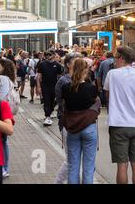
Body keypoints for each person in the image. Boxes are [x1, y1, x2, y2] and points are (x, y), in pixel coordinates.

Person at [103, 46, 135, 184]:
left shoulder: (112, 75)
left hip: (118, 125)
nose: (114, 61)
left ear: (122, 58)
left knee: (122, 165)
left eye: (116, 58)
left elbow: (108, 96)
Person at [62, 58, 99, 184]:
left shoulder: (66, 88)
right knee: (88, 167)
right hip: (89, 127)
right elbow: (96, 103)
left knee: (73, 166)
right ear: (85, 71)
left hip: (72, 128)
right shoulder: (91, 88)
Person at [54, 52, 80, 184]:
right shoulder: (63, 81)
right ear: (68, 64)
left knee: (78, 158)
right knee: (71, 158)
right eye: (76, 61)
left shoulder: (84, 78)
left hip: (82, 122)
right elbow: (60, 102)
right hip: (67, 121)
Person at [0, 58, 17, 179]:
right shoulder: (9, 79)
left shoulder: (3, 79)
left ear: (4, 67)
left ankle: (4, 167)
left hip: (0, 113)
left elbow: (1, 97)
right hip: (5, 113)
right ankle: (4, 167)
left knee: (2, 141)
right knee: (4, 141)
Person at [36, 50, 64, 126]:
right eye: (46, 55)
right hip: (45, 86)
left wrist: (61, 87)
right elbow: (39, 76)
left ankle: (50, 112)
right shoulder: (42, 64)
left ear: (53, 55)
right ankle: (47, 116)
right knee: (46, 101)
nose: (48, 56)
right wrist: (38, 87)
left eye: (49, 54)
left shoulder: (57, 65)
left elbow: (60, 76)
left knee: (52, 101)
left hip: (54, 86)